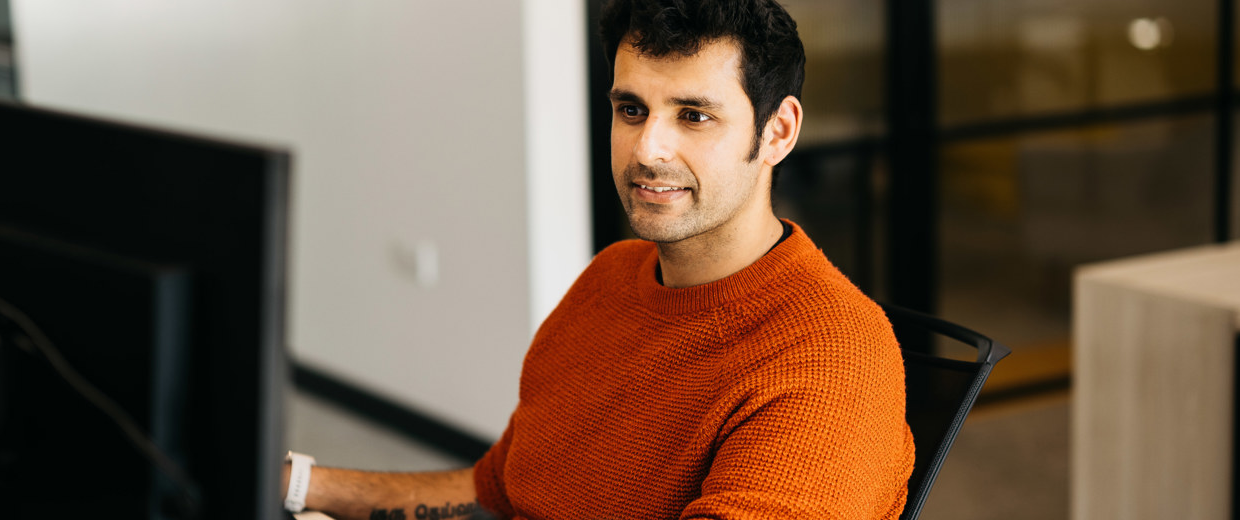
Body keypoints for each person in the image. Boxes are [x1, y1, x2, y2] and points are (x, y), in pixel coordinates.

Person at [282, 0, 913, 518]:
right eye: (631, 109)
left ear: (777, 132)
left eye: (694, 116)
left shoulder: (833, 357)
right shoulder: (612, 275)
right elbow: (498, 492)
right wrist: (297, 484)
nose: (648, 149)